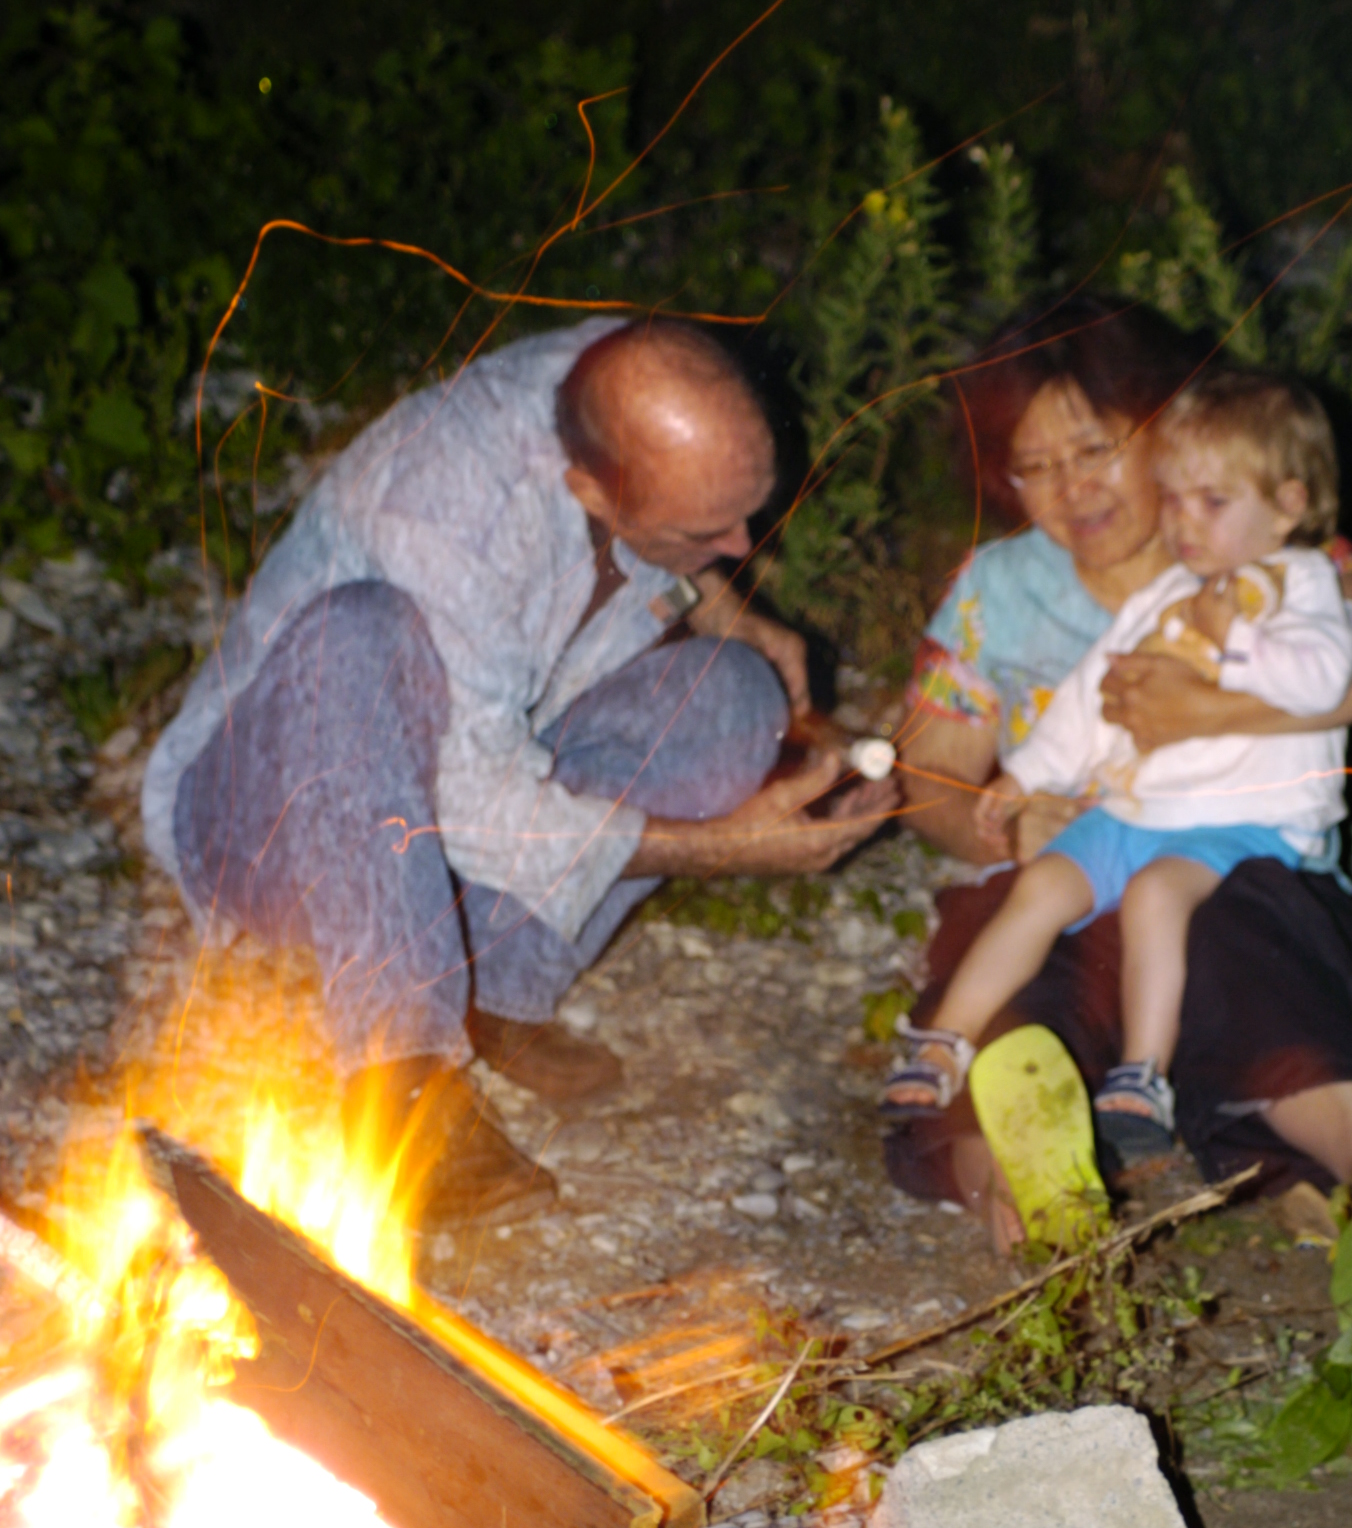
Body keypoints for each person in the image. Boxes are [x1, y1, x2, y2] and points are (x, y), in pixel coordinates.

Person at [143, 316, 893, 1228]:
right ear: (590, 488)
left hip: (453, 790)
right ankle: (401, 1088)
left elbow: (680, 548)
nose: (744, 544)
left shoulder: (632, 374)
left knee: (735, 694)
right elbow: (477, 800)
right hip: (273, 825)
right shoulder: (447, 510)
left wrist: (721, 605)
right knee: (361, 634)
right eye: (707, 529)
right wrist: (727, 849)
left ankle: (493, 988)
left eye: (746, 512)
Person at [886, 295, 1352, 1262]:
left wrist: (1201, 710)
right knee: (1016, 985)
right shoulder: (997, 588)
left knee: (1253, 968)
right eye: (1035, 466)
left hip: (1244, 864)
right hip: (1085, 858)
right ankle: (1025, 1183)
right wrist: (1007, 820)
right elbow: (926, 773)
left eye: (1095, 449)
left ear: (1164, 427)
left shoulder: (1257, 540)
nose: (1070, 489)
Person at [884, 367, 1352, 1161]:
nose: (1186, 523)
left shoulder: (1305, 583)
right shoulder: (1164, 593)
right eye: (1176, 500)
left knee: (1162, 902)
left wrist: (1233, 640)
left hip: (1242, 826)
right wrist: (1027, 777)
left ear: (1288, 505)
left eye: (1212, 503)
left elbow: (1323, 680)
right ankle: (944, 1041)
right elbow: (1086, 699)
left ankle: (1148, 1075)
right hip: (1138, 811)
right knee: (1041, 888)